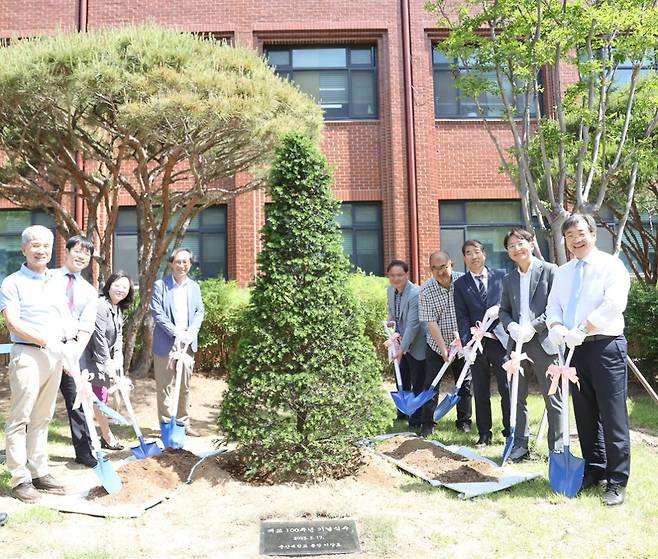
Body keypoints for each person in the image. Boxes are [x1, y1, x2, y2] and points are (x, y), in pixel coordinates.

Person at [546, 213, 631, 506]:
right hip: (573, 351)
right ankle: (594, 469)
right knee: (584, 414)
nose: (576, 240)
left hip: (605, 346)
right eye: (570, 236)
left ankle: (617, 480)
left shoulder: (611, 266)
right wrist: (556, 327)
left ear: (593, 234)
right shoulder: (564, 272)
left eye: (581, 233)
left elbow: (614, 304)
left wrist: (583, 328)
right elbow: (553, 305)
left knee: (612, 415)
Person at [0, 225, 68, 502]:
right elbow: (12, 322)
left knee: (43, 417)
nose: (41, 251)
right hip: (27, 354)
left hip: (54, 355)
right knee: (21, 418)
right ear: (24, 249)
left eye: (46, 246)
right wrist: (46, 341)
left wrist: (67, 348)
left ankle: (39, 471)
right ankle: (19, 477)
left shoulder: (57, 280)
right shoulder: (12, 282)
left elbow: (64, 318)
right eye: (36, 245)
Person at [499, 228, 563, 461]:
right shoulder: (508, 279)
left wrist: (533, 327)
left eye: (520, 243)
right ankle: (520, 444)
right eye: (511, 246)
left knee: (552, 397)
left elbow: (556, 308)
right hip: (517, 346)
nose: (517, 249)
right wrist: (511, 327)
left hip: (545, 343)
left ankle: (556, 448)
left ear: (532, 242)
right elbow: (504, 311)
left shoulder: (549, 271)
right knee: (517, 395)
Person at [454, 239, 511, 446]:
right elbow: (461, 315)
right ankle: (485, 433)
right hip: (476, 344)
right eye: (468, 253)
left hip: (500, 340)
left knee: (506, 387)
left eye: (476, 252)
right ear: (464, 258)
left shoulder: (501, 275)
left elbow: (510, 304)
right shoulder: (460, 284)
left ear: (484, 254)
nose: (473, 256)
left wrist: (499, 309)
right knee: (480, 389)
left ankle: (510, 430)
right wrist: (466, 344)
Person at [150, 248, 205, 437]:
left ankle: (182, 423)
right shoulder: (160, 285)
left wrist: (191, 332)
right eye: (178, 262)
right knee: (164, 385)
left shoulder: (194, 287)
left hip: (187, 343)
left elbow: (199, 312)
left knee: (184, 385)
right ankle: (166, 425)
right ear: (171, 263)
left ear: (190, 264)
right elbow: (157, 312)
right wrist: (176, 332)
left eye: (185, 262)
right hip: (166, 341)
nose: (182, 265)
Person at [55, 235, 99, 468]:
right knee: (37, 402)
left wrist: (72, 351)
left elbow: (87, 325)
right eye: (77, 250)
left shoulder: (89, 291)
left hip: (73, 351)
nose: (81, 256)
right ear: (67, 250)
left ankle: (84, 452)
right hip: (47, 348)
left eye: (87, 253)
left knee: (78, 403)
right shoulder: (49, 279)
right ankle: (26, 453)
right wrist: (56, 347)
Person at [418, 251, 470, 437]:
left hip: (463, 344)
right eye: (435, 268)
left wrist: (463, 342)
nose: (440, 271)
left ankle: (464, 422)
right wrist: (443, 349)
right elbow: (431, 323)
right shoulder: (426, 290)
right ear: (430, 269)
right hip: (436, 343)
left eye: (443, 267)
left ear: (451, 264)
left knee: (464, 383)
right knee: (431, 384)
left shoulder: (464, 282)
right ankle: (428, 423)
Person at [81, 271, 134, 451]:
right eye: (117, 285)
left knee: (99, 399)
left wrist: (118, 357)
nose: (120, 289)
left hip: (103, 360)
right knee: (97, 399)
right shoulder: (101, 305)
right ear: (109, 285)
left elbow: (117, 336)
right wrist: (107, 362)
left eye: (125, 287)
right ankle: (103, 437)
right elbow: (99, 337)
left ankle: (103, 436)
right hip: (90, 359)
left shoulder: (116, 308)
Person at [385, 260, 426, 430]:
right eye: (392, 275)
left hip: (416, 343)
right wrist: (389, 322)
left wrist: (402, 349)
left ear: (406, 275)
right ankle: (403, 413)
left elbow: (412, 325)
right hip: (400, 340)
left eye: (400, 275)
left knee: (417, 382)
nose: (396, 279)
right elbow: (393, 312)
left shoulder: (414, 293)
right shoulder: (390, 290)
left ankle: (416, 419)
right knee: (402, 378)